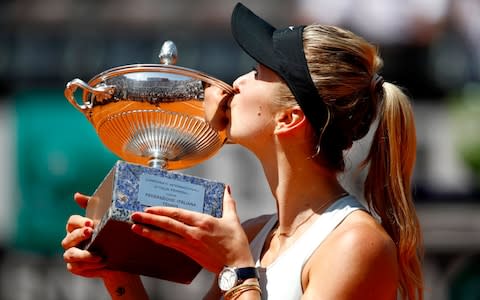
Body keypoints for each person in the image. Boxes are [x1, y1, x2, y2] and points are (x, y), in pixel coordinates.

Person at [61, 2, 424, 299]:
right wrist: (119, 275)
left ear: (289, 118)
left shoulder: (356, 244)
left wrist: (236, 269)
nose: (236, 83)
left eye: (257, 71)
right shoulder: (253, 235)